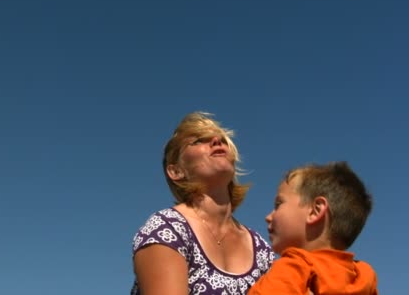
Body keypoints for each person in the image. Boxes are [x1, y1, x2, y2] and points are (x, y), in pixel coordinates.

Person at [131, 111, 274, 295]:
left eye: (222, 139)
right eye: (198, 140)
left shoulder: (261, 249)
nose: (216, 140)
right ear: (176, 171)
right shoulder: (166, 229)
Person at [248, 161, 378, 294]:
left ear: (315, 211)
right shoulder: (365, 278)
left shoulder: (294, 267)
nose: (268, 217)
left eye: (278, 204)